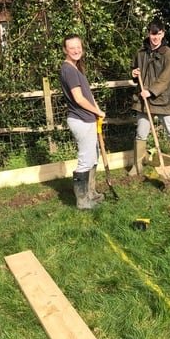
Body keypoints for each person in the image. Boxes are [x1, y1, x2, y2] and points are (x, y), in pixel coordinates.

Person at [129, 18, 170, 176]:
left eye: (158, 34)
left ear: (163, 34)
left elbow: (166, 78)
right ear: (148, 33)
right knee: (141, 133)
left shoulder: (169, 54)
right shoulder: (141, 53)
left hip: (163, 100)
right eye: (153, 34)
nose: (155, 38)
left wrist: (152, 91)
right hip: (143, 101)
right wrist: (133, 74)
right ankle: (138, 166)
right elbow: (135, 70)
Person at [59, 34, 106, 209]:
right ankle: (82, 201)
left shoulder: (75, 67)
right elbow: (79, 99)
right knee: (85, 160)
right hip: (81, 119)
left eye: (78, 46)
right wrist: (98, 111)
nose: (76, 50)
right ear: (65, 50)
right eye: (72, 48)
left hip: (88, 118)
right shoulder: (69, 70)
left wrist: (96, 109)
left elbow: (87, 95)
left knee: (93, 157)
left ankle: (91, 193)